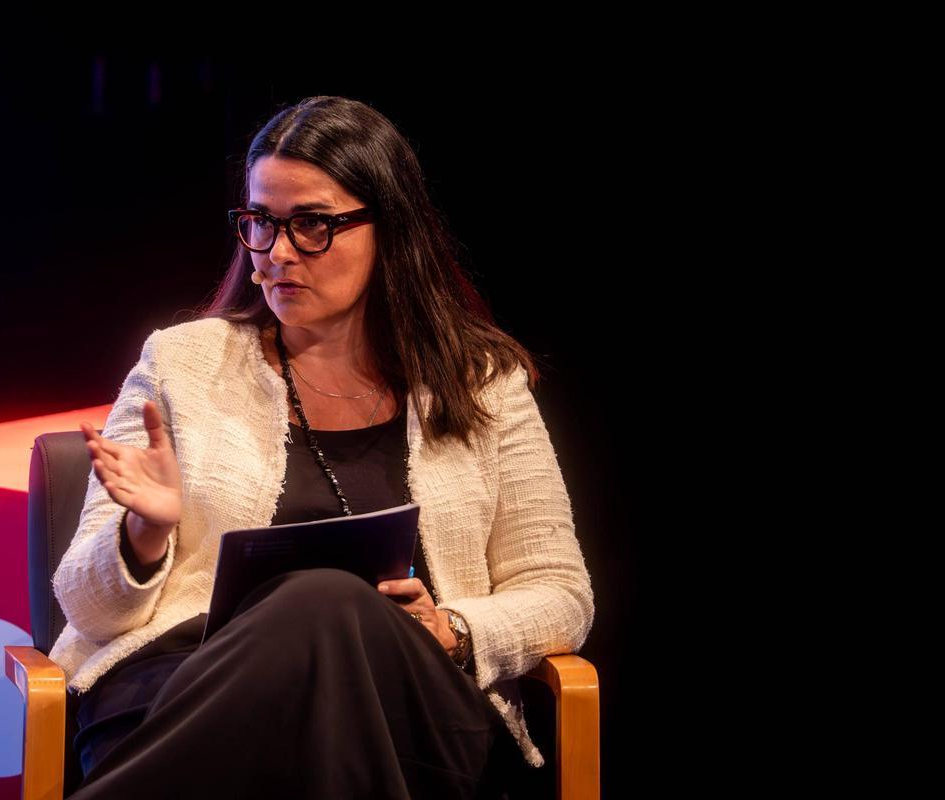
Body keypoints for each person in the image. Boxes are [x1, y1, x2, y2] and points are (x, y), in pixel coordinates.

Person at [49, 95, 595, 799]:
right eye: (260, 222)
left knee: (326, 600)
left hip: (406, 708)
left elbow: (561, 593)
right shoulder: (179, 365)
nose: (276, 253)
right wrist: (143, 534)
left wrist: (453, 629)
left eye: (311, 224)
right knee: (321, 607)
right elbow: (88, 611)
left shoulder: (482, 383)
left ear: (389, 229)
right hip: (187, 692)